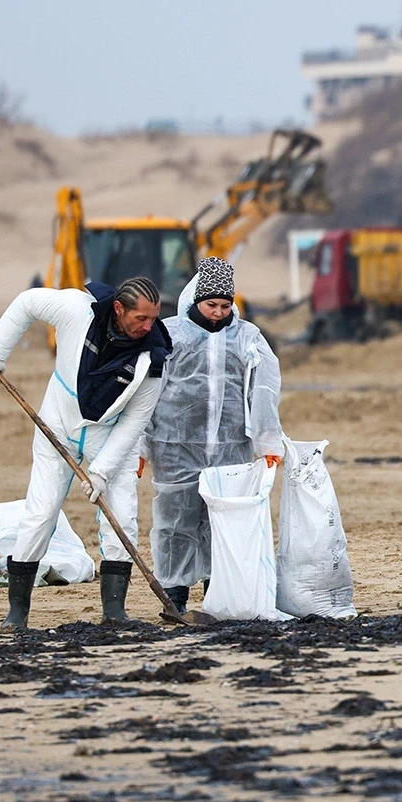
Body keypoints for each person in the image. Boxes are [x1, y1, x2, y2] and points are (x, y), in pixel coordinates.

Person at [0, 276, 171, 629]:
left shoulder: (154, 358)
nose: (149, 326)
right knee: (40, 515)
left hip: (111, 436)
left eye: (153, 318)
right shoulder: (75, 310)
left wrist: (102, 471)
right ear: (118, 308)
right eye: (140, 318)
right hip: (58, 428)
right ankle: (17, 611)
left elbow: (134, 422)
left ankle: (114, 613)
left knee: (123, 520)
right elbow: (27, 302)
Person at [143, 257, 283, 615]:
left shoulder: (248, 336)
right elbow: (146, 393)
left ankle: (216, 592)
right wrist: (140, 445)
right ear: (196, 301)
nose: (219, 312)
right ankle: (173, 596)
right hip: (175, 446)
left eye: (225, 305)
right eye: (211, 305)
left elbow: (264, 389)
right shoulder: (169, 334)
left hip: (230, 446)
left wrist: (268, 441)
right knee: (176, 520)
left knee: (223, 521)